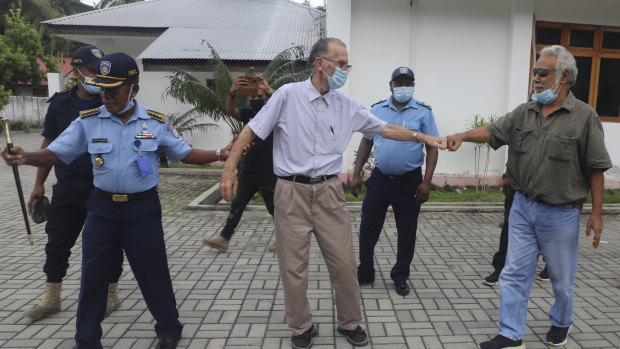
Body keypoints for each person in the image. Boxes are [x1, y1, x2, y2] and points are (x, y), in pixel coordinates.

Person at [219, 37, 446, 349]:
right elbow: (251, 130)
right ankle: (301, 327)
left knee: (343, 264)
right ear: (320, 64)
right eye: (341, 64)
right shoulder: (287, 96)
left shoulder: (347, 106)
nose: (345, 70)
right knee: (293, 268)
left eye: (347, 64)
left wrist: (424, 137)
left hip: (329, 193)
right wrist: (229, 167)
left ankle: (350, 323)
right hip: (290, 192)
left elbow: (383, 128)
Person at [1, 52, 237, 349]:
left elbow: (185, 154)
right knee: (93, 275)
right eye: (102, 88)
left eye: (113, 89)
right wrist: (26, 157)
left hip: (142, 209)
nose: (106, 95)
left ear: (133, 89)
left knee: (153, 271)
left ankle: (168, 328)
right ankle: (86, 339)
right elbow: (56, 152)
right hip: (102, 209)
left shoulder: (155, 122)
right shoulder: (88, 121)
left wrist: (219, 154)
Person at [447, 45, 611, 349]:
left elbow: (596, 167)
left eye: (542, 72)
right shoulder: (526, 111)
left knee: (562, 281)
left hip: (560, 214)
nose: (535, 77)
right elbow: (493, 131)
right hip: (522, 207)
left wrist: (597, 213)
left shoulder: (584, 117)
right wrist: (461, 136)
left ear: (563, 77)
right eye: (534, 71)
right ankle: (510, 335)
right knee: (513, 273)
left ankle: (562, 321)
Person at [22, 46, 125, 321]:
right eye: (93, 71)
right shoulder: (60, 104)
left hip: (102, 190)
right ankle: (52, 297)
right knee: (56, 243)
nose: (98, 76)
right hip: (67, 189)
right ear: (77, 72)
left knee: (108, 244)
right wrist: (38, 184)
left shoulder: (109, 103)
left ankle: (110, 296)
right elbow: (49, 144)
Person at [351, 66, 439, 297]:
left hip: (410, 182)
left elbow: (432, 147)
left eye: (407, 83)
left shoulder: (423, 112)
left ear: (413, 86)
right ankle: (366, 271)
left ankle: (400, 276)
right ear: (390, 86)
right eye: (398, 83)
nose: (403, 87)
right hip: (379, 179)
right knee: (368, 228)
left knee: (407, 231)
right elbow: (365, 143)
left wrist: (427, 181)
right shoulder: (377, 109)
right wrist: (356, 173)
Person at [202, 76, 277, 252]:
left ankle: (285, 241)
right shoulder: (248, 113)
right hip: (248, 171)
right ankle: (224, 238)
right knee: (237, 205)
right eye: (252, 97)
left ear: (266, 99)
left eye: (259, 97)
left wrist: (268, 90)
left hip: (268, 172)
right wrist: (232, 94)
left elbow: (279, 104)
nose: (254, 100)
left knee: (275, 209)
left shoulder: (273, 113)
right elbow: (231, 111)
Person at [483, 175, 549, 286]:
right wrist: (506, 176)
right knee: (509, 225)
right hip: (518, 182)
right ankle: (501, 269)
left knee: (546, 225)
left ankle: (551, 267)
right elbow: (514, 157)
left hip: (547, 184)